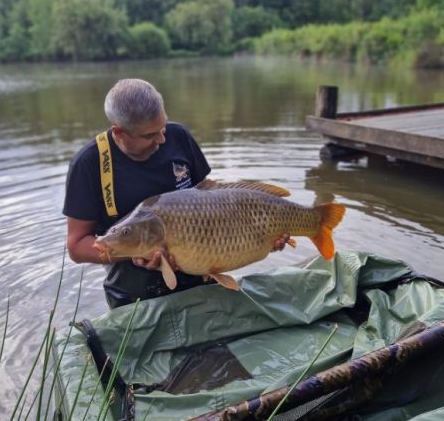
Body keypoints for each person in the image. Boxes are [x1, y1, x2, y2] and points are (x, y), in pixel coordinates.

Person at [64, 78, 287, 308]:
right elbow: (76, 245)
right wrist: (135, 253)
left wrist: (266, 230)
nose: (162, 139)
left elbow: (214, 201)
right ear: (119, 132)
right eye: (150, 135)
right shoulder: (89, 164)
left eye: (163, 128)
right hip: (134, 296)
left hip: (199, 280)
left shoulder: (178, 136)